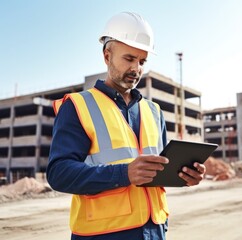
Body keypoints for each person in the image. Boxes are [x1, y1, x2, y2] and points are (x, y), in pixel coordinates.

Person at [46, 12, 206, 240]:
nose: (136, 69)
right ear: (107, 55)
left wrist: (184, 175)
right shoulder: (78, 106)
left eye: (142, 62)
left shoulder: (154, 112)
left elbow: (157, 171)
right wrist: (124, 173)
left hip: (154, 231)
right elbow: (58, 173)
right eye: (129, 59)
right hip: (103, 234)